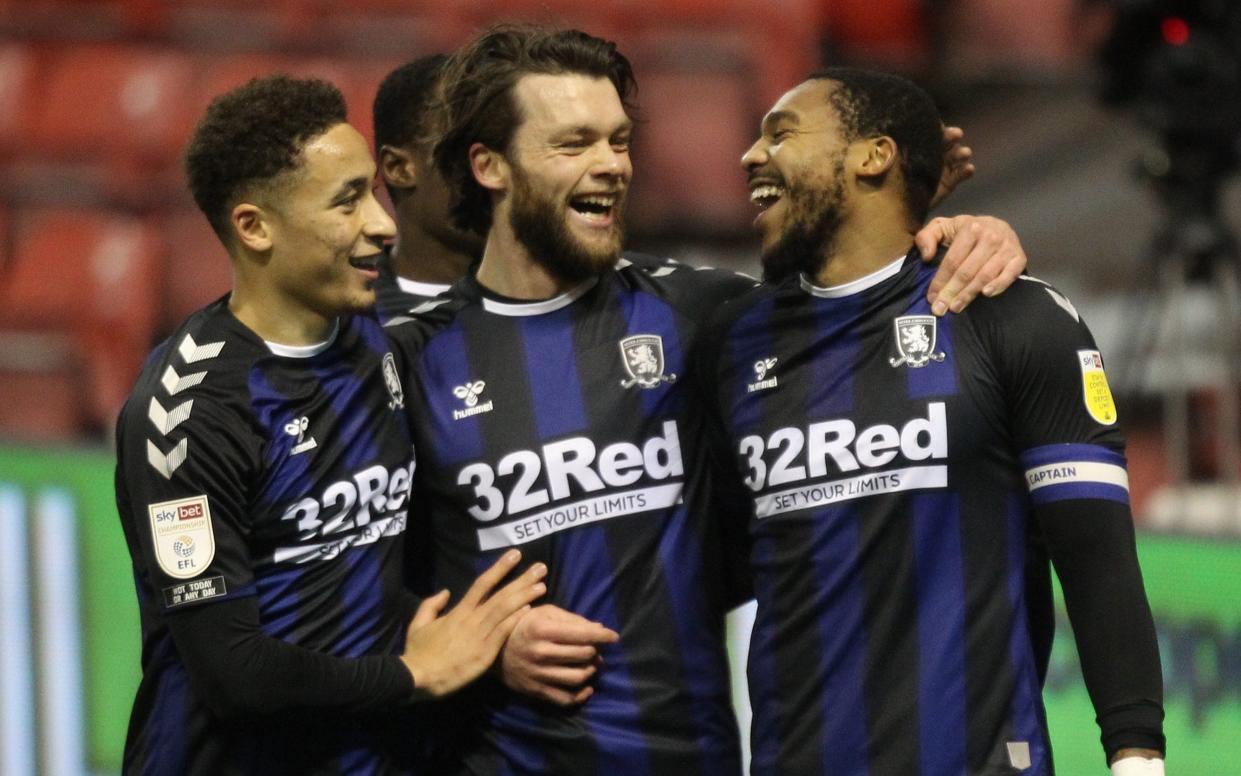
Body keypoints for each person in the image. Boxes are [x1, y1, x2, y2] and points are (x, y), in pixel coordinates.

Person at [384, 25, 1032, 774]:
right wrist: (483, 640)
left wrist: (962, 231)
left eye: (618, 140)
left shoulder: (705, 318)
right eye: (573, 144)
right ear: (489, 165)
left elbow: (857, 287)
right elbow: (339, 583)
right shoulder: (407, 360)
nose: (610, 166)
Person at [695, 67, 1166, 775]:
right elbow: (716, 562)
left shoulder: (1009, 314)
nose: (750, 156)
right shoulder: (729, 341)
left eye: (780, 133)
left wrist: (1136, 760)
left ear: (872, 156)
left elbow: (1095, 559)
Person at [113, 74, 548, 775]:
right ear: (255, 226)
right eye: (347, 200)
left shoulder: (371, 344)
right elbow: (235, 674)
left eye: (374, 191)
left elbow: (357, 571)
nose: (381, 223)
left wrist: (492, 633)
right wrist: (416, 674)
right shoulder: (187, 414)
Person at [371, 54, 484, 323]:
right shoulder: (337, 322)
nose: (495, 170)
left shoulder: (576, 306)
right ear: (398, 168)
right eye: (469, 149)